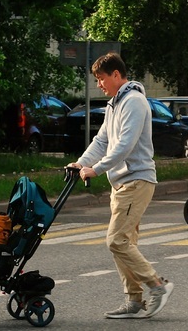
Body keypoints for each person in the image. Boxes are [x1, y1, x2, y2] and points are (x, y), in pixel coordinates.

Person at [68, 52, 174, 319]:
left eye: (101, 79)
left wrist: (97, 169)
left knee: (116, 241)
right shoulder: (115, 104)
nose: (99, 85)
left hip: (136, 180)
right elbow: (102, 141)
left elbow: (124, 146)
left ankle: (157, 286)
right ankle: (134, 301)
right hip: (122, 183)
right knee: (125, 243)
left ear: (116, 75)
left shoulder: (135, 102)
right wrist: (81, 164)